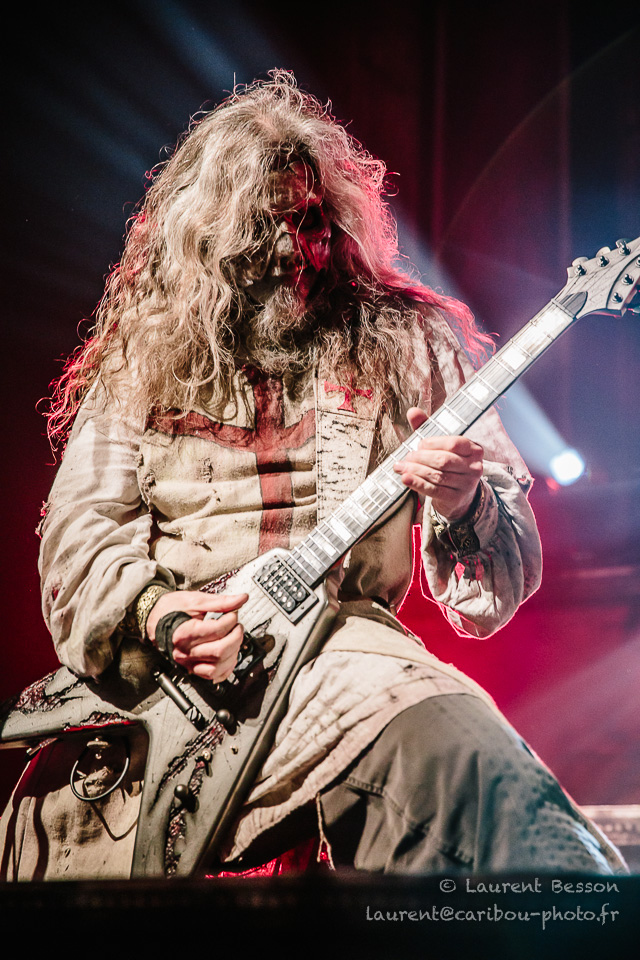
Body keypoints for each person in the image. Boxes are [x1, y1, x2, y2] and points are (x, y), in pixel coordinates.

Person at [0, 73, 625, 879]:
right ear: (208, 233)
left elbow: (492, 594)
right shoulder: (140, 359)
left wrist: (464, 500)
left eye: (311, 221)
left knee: (493, 794)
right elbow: (79, 539)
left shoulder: (406, 340)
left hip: (342, 655)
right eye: (265, 226)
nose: (296, 250)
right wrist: (159, 614)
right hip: (168, 688)